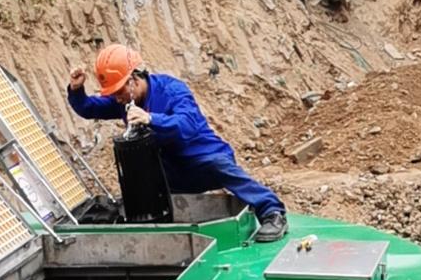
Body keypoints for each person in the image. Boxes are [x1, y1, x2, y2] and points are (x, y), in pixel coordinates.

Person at [67, 44, 288, 242]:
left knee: (222, 167)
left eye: (119, 91)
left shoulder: (172, 90)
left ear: (134, 78)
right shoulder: (125, 100)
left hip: (200, 160)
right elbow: (90, 108)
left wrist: (152, 119)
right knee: (139, 182)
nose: (116, 98)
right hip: (170, 173)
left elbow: (186, 124)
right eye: (113, 93)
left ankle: (272, 212)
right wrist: (77, 91)